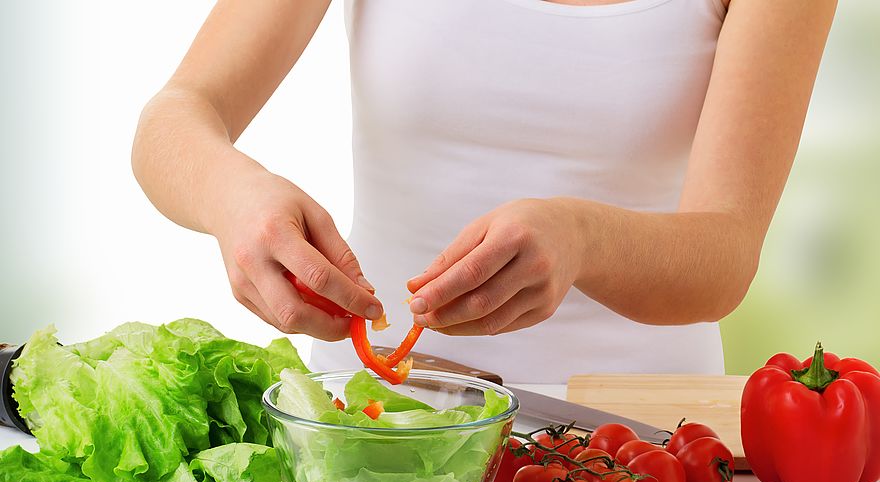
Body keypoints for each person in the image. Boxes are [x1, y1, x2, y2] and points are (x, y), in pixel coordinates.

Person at [132, 0, 837, 383]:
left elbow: (726, 254)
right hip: (377, 423)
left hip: (632, 449)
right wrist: (235, 196)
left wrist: (581, 238)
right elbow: (175, 117)